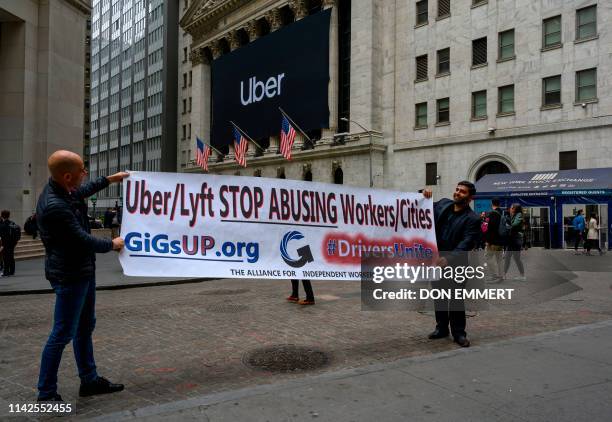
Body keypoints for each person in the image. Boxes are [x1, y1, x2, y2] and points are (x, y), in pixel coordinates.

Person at [36, 150, 128, 402]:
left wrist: (111, 179)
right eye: (81, 171)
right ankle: (46, 394)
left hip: (81, 272)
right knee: (62, 333)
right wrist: (113, 244)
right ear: (67, 176)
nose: (85, 174)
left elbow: (82, 191)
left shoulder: (61, 190)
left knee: (85, 327)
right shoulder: (56, 207)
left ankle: (89, 380)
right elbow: (82, 240)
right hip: (70, 275)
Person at [423, 181, 482, 347]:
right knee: (439, 296)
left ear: (470, 198)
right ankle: (441, 328)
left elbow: (467, 242)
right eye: (456, 189)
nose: (457, 193)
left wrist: (448, 259)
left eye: (462, 192)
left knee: (456, 299)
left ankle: (459, 333)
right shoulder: (443, 205)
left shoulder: (473, 219)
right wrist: (424, 192)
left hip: (456, 264)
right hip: (436, 261)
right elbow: (422, 207)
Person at [483, 198, 504, 282]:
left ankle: (494, 276)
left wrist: (488, 240)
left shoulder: (491, 214)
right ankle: (501, 276)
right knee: (499, 258)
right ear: (499, 204)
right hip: (500, 240)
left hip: (493, 241)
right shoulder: (501, 213)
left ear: (492, 203)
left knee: (488, 257)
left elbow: (487, 228)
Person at [503, 204, 526, 281]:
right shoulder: (514, 215)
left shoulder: (519, 215)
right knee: (508, 258)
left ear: (515, 209)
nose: (510, 208)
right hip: (512, 240)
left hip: (515, 240)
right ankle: (504, 274)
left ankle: (522, 276)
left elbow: (515, 224)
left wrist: (508, 225)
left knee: (515, 258)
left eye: (512, 207)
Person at [0, 210, 20, 277]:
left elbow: (3, 236)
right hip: (12, 243)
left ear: (2, 216)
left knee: (6, 258)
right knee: (11, 257)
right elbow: (18, 232)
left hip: (6, 244)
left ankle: (6, 272)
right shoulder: (13, 223)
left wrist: (2, 245)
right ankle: (12, 271)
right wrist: (15, 242)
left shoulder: (3, 225)